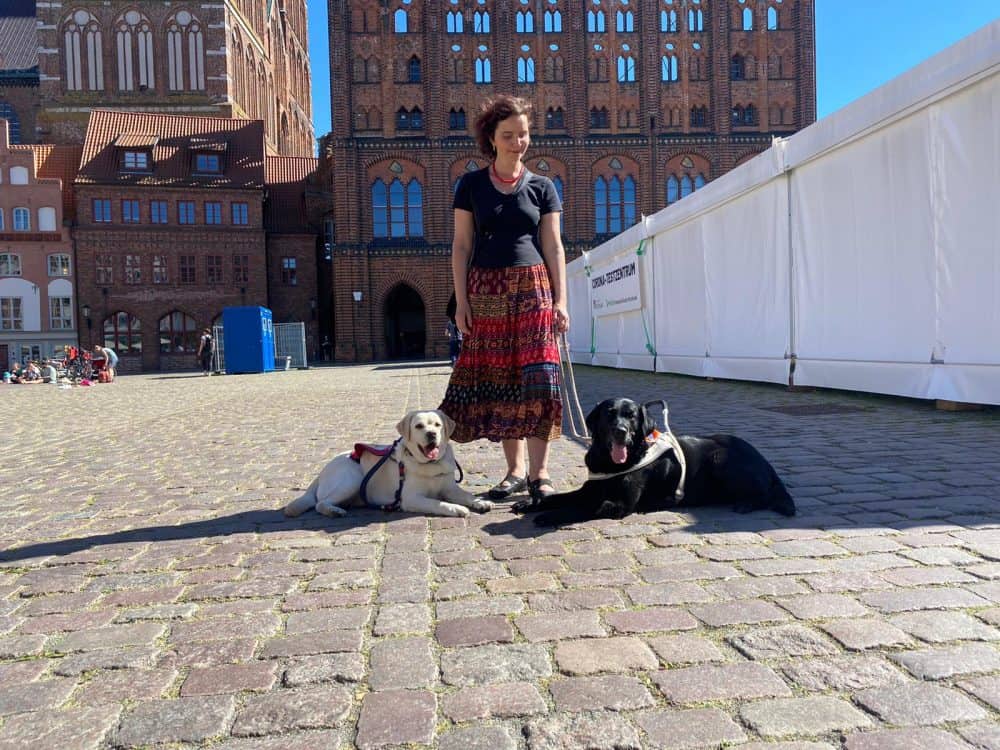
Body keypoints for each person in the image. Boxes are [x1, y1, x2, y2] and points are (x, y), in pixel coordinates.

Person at [438, 94, 569, 504]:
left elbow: (554, 246)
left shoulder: (543, 187)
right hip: (486, 287)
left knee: (540, 378)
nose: (518, 142)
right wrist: (462, 302)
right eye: (509, 135)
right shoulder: (471, 184)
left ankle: (540, 473)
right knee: (501, 378)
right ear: (491, 139)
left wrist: (560, 301)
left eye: (524, 134)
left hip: (534, 287)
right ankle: (513, 472)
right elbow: (461, 245)